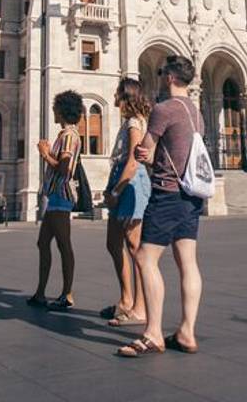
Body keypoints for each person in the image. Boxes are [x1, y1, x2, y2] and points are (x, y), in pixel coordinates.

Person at [118, 55, 204, 358]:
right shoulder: (196, 112)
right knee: (187, 262)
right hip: (191, 195)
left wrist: (143, 155)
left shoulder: (163, 109)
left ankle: (153, 333)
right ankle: (187, 331)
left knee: (144, 257)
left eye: (162, 73)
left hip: (167, 193)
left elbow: (146, 151)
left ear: (170, 77)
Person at [99, 78, 150, 326]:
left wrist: (116, 191)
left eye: (118, 94)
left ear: (126, 97)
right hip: (121, 179)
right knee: (113, 242)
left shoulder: (134, 123)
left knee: (134, 246)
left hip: (131, 184)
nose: (114, 98)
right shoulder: (128, 122)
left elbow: (133, 161)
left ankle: (139, 307)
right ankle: (126, 299)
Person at [27, 91, 84, 311]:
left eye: (55, 107)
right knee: (43, 243)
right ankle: (40, 293)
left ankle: (67, 294)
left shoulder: (69, 135)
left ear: (62, 110)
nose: (53, 111)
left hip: (61, 196)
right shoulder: (65, 134)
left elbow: (64, 168)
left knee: (63, 244)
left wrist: (44, 154)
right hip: (55, 197)